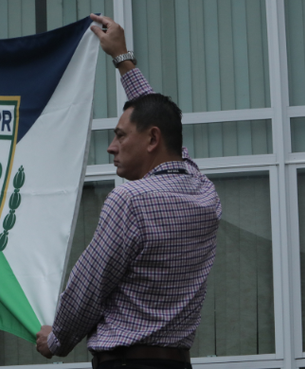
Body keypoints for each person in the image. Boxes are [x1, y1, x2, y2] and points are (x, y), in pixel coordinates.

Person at [35, 14, 222, 369]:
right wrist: (123, 59)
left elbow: (88, 288)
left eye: (120, 135)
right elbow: (167, 128)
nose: (111, 146)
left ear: (151, 139)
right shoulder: (204, 193)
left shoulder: (130, 201)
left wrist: (57, 339)